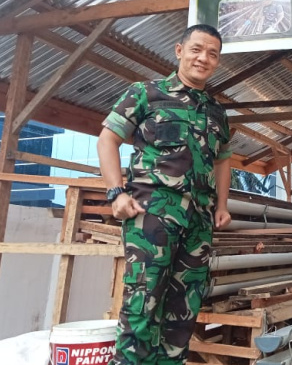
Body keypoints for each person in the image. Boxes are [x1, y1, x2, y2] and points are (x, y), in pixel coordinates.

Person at [97, 24, 233, 365]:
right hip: (153, 214)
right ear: (179, 50)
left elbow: (224, 160)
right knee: (142, 305)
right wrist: (116, 193)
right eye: (197, 49)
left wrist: (222, 205)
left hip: (198, 222)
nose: (203, 58)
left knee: (182, 314)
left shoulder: (217, 112)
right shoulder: (146, 93)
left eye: (212, 54)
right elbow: (107, 139)